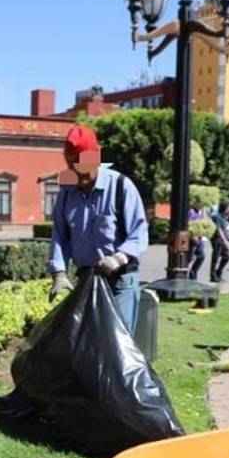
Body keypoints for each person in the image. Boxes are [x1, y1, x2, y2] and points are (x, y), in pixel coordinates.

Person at [47, 125, 148, 332]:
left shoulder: (121, 186)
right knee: (88, 342)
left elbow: (139, 232)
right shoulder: (66, 193)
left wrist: (119, 257)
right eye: (71, 164)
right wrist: (59, 272)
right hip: (87, 279)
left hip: (119, 280)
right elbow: (59, 235)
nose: (77, 171)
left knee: (117, 342)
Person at [209, 203, 229, 283]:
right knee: (215, 259)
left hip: (223, 240)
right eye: (228, 208)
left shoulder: (223, 217)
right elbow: (219, 230)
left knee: (227, 256)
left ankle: (218, 273)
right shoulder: (217, 217)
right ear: (225, 208)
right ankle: (213, 276)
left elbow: (224, 229)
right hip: (217, 240)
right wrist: (225, 241)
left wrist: (227, 239)